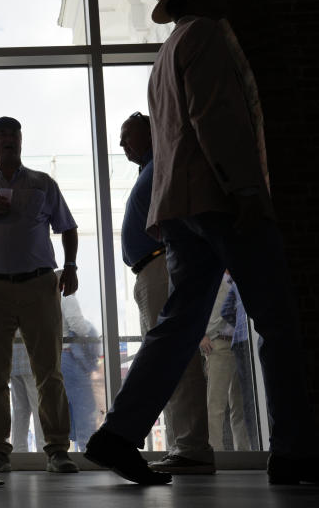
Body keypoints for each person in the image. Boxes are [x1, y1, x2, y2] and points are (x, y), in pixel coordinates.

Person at [84, 0, 319, 485]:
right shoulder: (207, 37)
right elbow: (215, 118)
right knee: (278, 320)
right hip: (218, 199)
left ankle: (118, 434)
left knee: (177, 325)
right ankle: (295, 450)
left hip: (177, 208)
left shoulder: (167, 52)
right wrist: (245, 189)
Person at [0, 115, 80, 474]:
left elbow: (67, 227)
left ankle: (56, 450)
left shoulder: (42, 184)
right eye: (2, 135)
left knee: (49, 371)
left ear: (21, 142)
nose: (8, 140)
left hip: (39, 284)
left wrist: (71, 267)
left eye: (14, 135)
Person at [118, 111, 214, 474]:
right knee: (167, 357)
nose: (122, 144)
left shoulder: (163, 162)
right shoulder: (149, 169)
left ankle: (192, 447)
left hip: (160, 265)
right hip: (150, 270)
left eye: (127, 136)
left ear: (149, 132)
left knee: (175, 356)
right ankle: (183, 447)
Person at [200, 273, 249, 451]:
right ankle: (215, 453)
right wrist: (201, 335)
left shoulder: (240, 276)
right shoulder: (212, 278)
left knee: (241, 405)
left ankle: (244, 453)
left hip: (242, 345)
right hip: (218, 344)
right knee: (216, 405)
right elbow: (197, 305)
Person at [58, 277, 100, 454]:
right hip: (70, 358)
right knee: (84, 406)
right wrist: (89, 330)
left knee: (64, 407)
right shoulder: (67, 298)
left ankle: (63, 450)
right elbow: (78, 325)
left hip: (57, 357)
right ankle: (86, 451)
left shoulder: (50, 300)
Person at [220, 281, 259, 447]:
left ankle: (254, 444)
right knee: (255, 397)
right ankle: (257, 444)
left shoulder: (237, 281)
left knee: (247, 398)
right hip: (252, 339)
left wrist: (239, 326)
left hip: (239, 340)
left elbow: (226, 311)